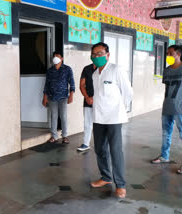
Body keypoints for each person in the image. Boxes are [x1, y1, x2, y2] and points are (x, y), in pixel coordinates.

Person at [90, 42, 133, 198]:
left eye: (100, 53)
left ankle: (120, 184)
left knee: (115, 151)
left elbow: (128, 92)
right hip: (98, 117)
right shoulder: (95, 74)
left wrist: (121, 109)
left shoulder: (116, 70)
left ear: (107, 55)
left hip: (114, 117)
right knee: (100, 149)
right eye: (94, 54)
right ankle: (106, 177)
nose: (97, 57)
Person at [151, 45, 182, 174]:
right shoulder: (167, 70)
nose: (168, 56)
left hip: (180, 108)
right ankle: (164, 156)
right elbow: (166, 89)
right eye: (167, 53)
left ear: (179, 54)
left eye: (171, 53)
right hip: (167, 106)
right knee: (165, 133)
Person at [42, 51, 75, 144]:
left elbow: (72, 83)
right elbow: (47, 85)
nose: (55, 57)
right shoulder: (50, 70)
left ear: (62, 58)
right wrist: (44, 97)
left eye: (57, 56)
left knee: (63, 116)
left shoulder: (67, 69)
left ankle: (65, 136)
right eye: (54, 56)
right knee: (54, 116)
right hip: (52, 97)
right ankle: (54, 136)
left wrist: (71, 95)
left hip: (63, 97)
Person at [77, 63, 96, 151]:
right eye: (94, 54)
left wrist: (95, 98)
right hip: (88, 100)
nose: (96, 56)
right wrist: (87, 97)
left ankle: (102, 144)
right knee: (87, 123)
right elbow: (81, 85)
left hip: (102, 101)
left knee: (101, 123)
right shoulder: (87, 68)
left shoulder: (106, 68)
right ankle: (85, 143)